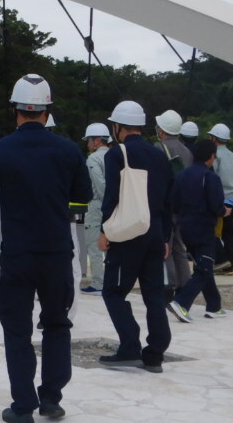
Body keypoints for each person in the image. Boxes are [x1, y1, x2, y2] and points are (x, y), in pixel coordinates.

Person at [0, 75, 91, 423]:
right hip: (57, 253)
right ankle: (51, 398)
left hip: (18, 255)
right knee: (57, 324)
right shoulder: (69, 150)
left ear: (15, 110)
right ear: (47, 111)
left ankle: (22, 408)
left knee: (17, 329)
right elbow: (84, 195)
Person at [98, 100, 175, 373]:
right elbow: (169, 200)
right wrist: (165, 237)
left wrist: (104, 230)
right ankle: (155, 354)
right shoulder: (159, 155)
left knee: (113, 291)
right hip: (155, 234)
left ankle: (130, 345)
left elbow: (111, 196)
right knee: (153, 294)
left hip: (128, 234)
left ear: (117, 126)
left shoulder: (117, 154)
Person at [167, 139, 226, 322]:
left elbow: (174, 203)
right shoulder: (210, 177)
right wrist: (224, 211)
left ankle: (214, 306)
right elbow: (216, 205)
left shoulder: (182, 175)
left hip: (185, 228)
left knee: (203, 265)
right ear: (211, 156)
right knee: (204, 269)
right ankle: (181, 303)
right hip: (204, 228)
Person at [155, 110, 193, 296]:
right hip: (182, 205)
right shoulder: (186, 150)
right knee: (179, 248)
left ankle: (169, 285)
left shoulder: (159, 148)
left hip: (165, 205)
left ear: (162, 130)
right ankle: (185, 285)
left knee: (165, 247)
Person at [79, 123, 112, 294]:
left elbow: (100, 186)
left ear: (97, 140)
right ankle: (112, 281)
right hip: (115, 205)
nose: (88, 144)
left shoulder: (93, 159)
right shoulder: (115, 155)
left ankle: (99, 283)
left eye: (89, 140)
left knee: (94, 245)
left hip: (98, 205)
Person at [208, 122, 233, 274]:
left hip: (220, 199)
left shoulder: (216, 156)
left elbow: (212, 176)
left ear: (214, 138)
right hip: (232, 199)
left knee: (214, 231)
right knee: (229, 233)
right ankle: (230, 265)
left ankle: (221, 261)